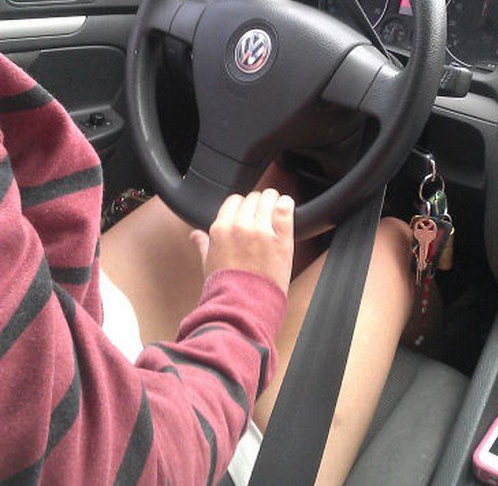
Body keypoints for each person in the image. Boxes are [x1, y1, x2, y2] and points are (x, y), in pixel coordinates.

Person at [0, 52, 415, 485]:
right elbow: (144, 464)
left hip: (61, 329)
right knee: (394, 243)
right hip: (157, 453)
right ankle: (441, 337)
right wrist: (245, 302)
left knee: (264, 188)